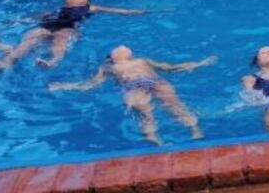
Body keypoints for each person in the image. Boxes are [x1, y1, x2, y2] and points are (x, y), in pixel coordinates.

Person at [49, 45, 214, 144]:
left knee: (173, 107)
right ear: (113, 57)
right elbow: (91, 84)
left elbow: (171, 68)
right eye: (117, 48)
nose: (121, 46)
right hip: (140, 84)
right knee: (149, 114)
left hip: (146, 83)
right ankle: (157, 141)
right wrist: (64, 85)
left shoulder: (141, 60)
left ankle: (194, 131)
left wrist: (199, 64)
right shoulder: (109, 67)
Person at [0, 0, 142, 71]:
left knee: (62, 38)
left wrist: (132, 12)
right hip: (47, 26)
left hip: (69, 27)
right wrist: (15, 21)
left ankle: (53, 61)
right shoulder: (57, 9)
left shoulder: (91, 7)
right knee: (29, 39)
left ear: (87, 0)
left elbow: (114, 10)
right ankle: (6, 62)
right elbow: (35, 18)